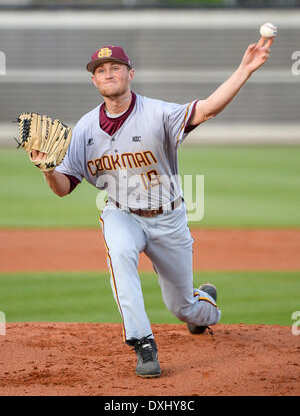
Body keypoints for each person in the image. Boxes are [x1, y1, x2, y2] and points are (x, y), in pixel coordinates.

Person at [31, 39, 273, 378]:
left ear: (131, 73)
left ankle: (205, 306)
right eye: (100, 70)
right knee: (119, 255)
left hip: (168, 218)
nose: (108, 73)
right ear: (94, 81)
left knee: (183, 307)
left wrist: (245, 69)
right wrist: (47, 170)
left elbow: (207, 109)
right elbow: (62, 188)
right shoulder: (85, 129)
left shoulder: (157, 113)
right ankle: (143, 342)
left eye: (115, 67)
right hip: (121, 213)